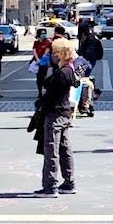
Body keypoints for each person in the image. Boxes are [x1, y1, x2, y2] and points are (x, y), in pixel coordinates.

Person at [34, 37, 79, 198]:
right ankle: (69, 182)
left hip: (55, 113)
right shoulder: (69, 70)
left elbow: (50, 94)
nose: (52, 55)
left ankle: (50, 185)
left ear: (60, 54)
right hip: (65, 113)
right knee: (64, 148)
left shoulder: (61, 73)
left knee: (51, 149)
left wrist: (40, 103)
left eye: (54, 52)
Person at [31, 28, 53, 99]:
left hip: (44, 62)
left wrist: (42, 59)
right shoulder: (36, 43)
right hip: (37, 62)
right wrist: (37, 59)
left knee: (43, 76)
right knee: (38, 78)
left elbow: (47, 50)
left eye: (44, 33)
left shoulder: (47, 42)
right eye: (42, 33)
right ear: (39, 34)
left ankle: (46, 91)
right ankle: (40, 92)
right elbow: (34, 51)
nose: (43, 35)